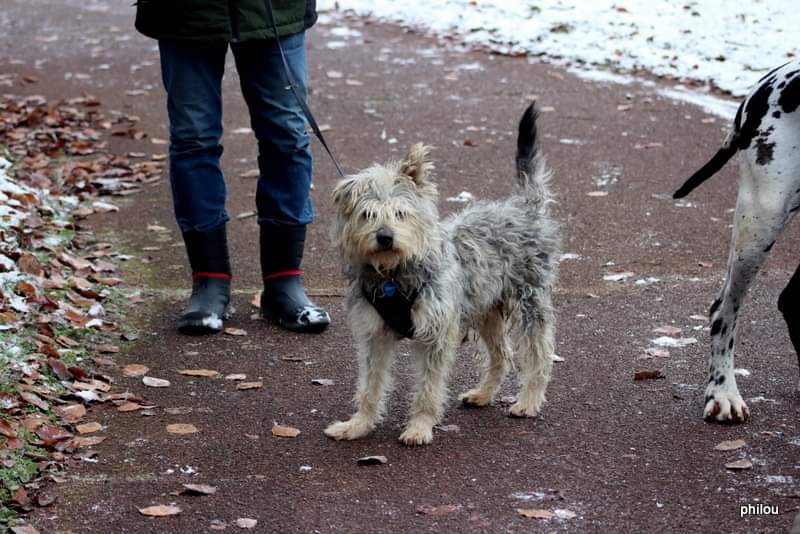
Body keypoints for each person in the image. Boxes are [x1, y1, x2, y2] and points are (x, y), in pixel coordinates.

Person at [134, 0, 331, 335]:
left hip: (275, 9)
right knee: (193, 138)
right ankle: (209, 281)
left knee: (287, 136)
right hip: (186, 13)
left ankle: (284, 281)